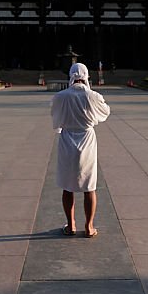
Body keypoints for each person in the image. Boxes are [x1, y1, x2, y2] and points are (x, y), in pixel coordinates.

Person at [51, 62, 111, 237]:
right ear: (86, 76)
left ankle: (71, 225)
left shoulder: (60, 96)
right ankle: (89, 226)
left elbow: (55, 116)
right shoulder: (93, 96)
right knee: (89, 185)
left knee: (67, 185)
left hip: (67, 138)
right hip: (87, 138)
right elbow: (105, 112)